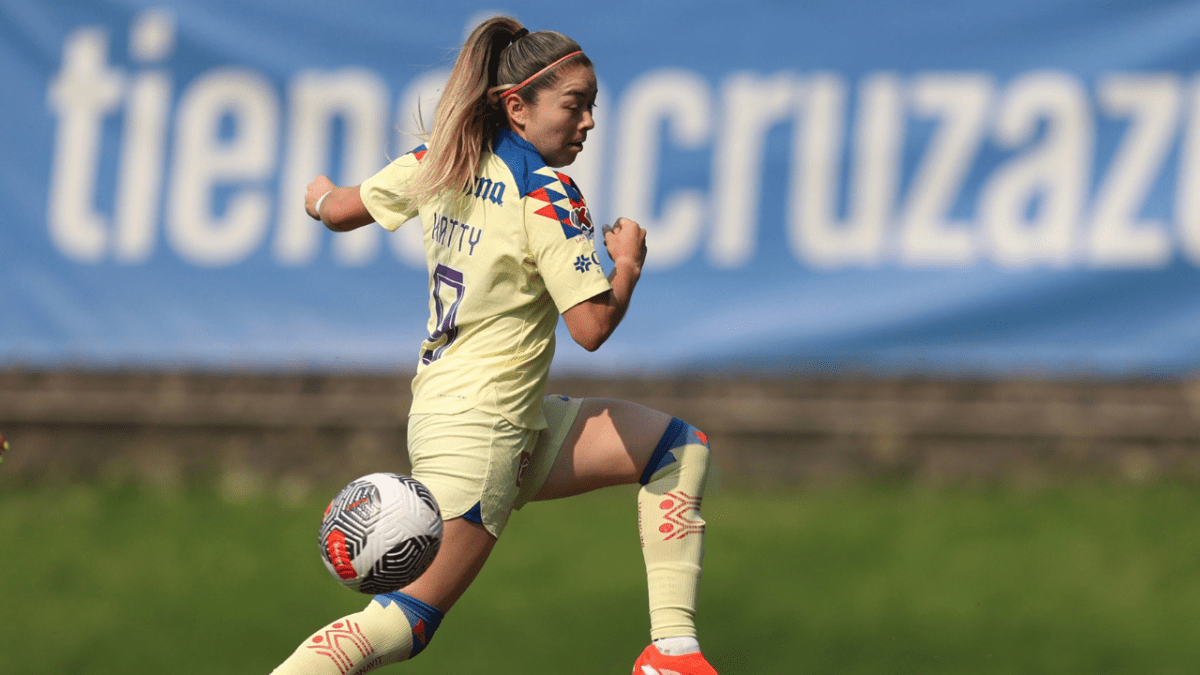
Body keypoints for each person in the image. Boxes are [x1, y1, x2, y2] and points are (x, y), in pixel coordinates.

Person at [272, 16, 718, 675]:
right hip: (486, 426)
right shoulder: (544, 193)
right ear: (518, 105)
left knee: (674, 447)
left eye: (592, 106)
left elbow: (339, 210)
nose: (589, 122)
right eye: (575, 104)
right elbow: (591, 328)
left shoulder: (438, 160)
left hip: (483, 414)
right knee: (402, 623)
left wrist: (314, 198)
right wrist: (625, 264)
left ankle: (671, 654)